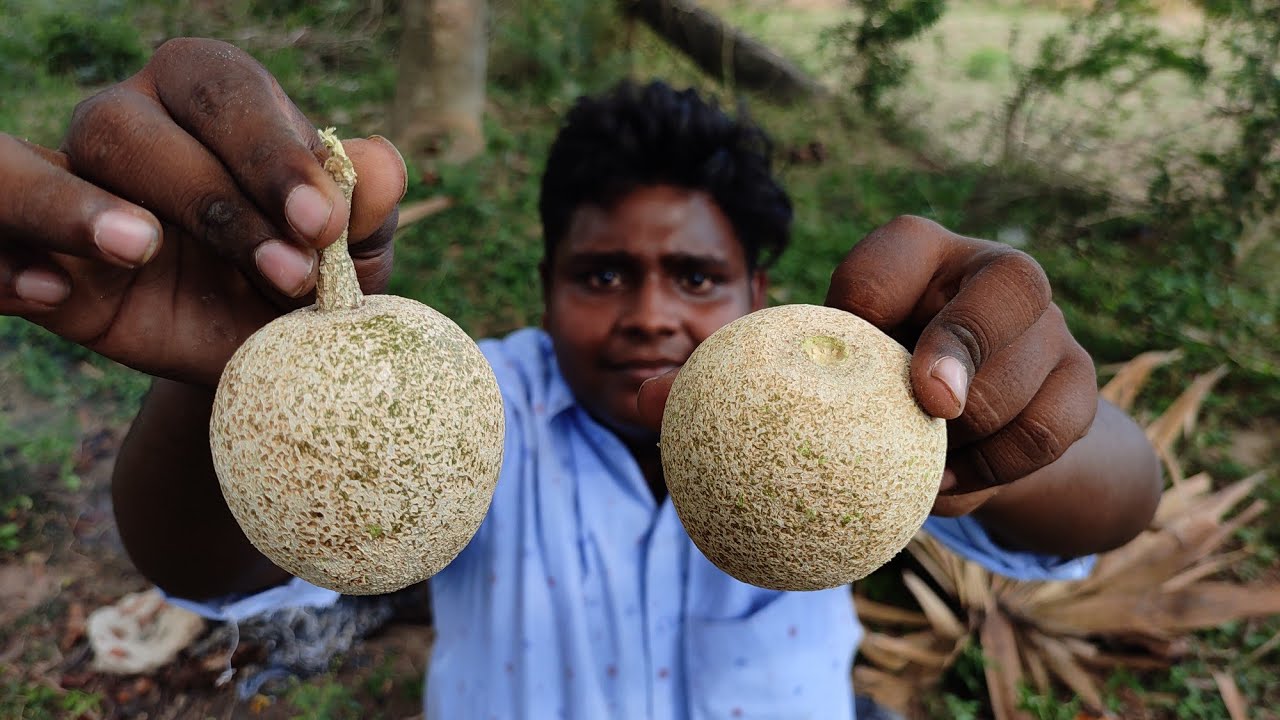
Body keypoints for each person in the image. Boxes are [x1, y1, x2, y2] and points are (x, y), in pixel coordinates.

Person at [0, 38, 1162, 719]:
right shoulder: (464, 411)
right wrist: (233, 374)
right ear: (543, 281)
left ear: (759, 291)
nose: (651, 314)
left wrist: (1017, 413)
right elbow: (213, 568)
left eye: (693, 277)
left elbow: (1111, 505)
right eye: (602, 275)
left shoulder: (863, 412)